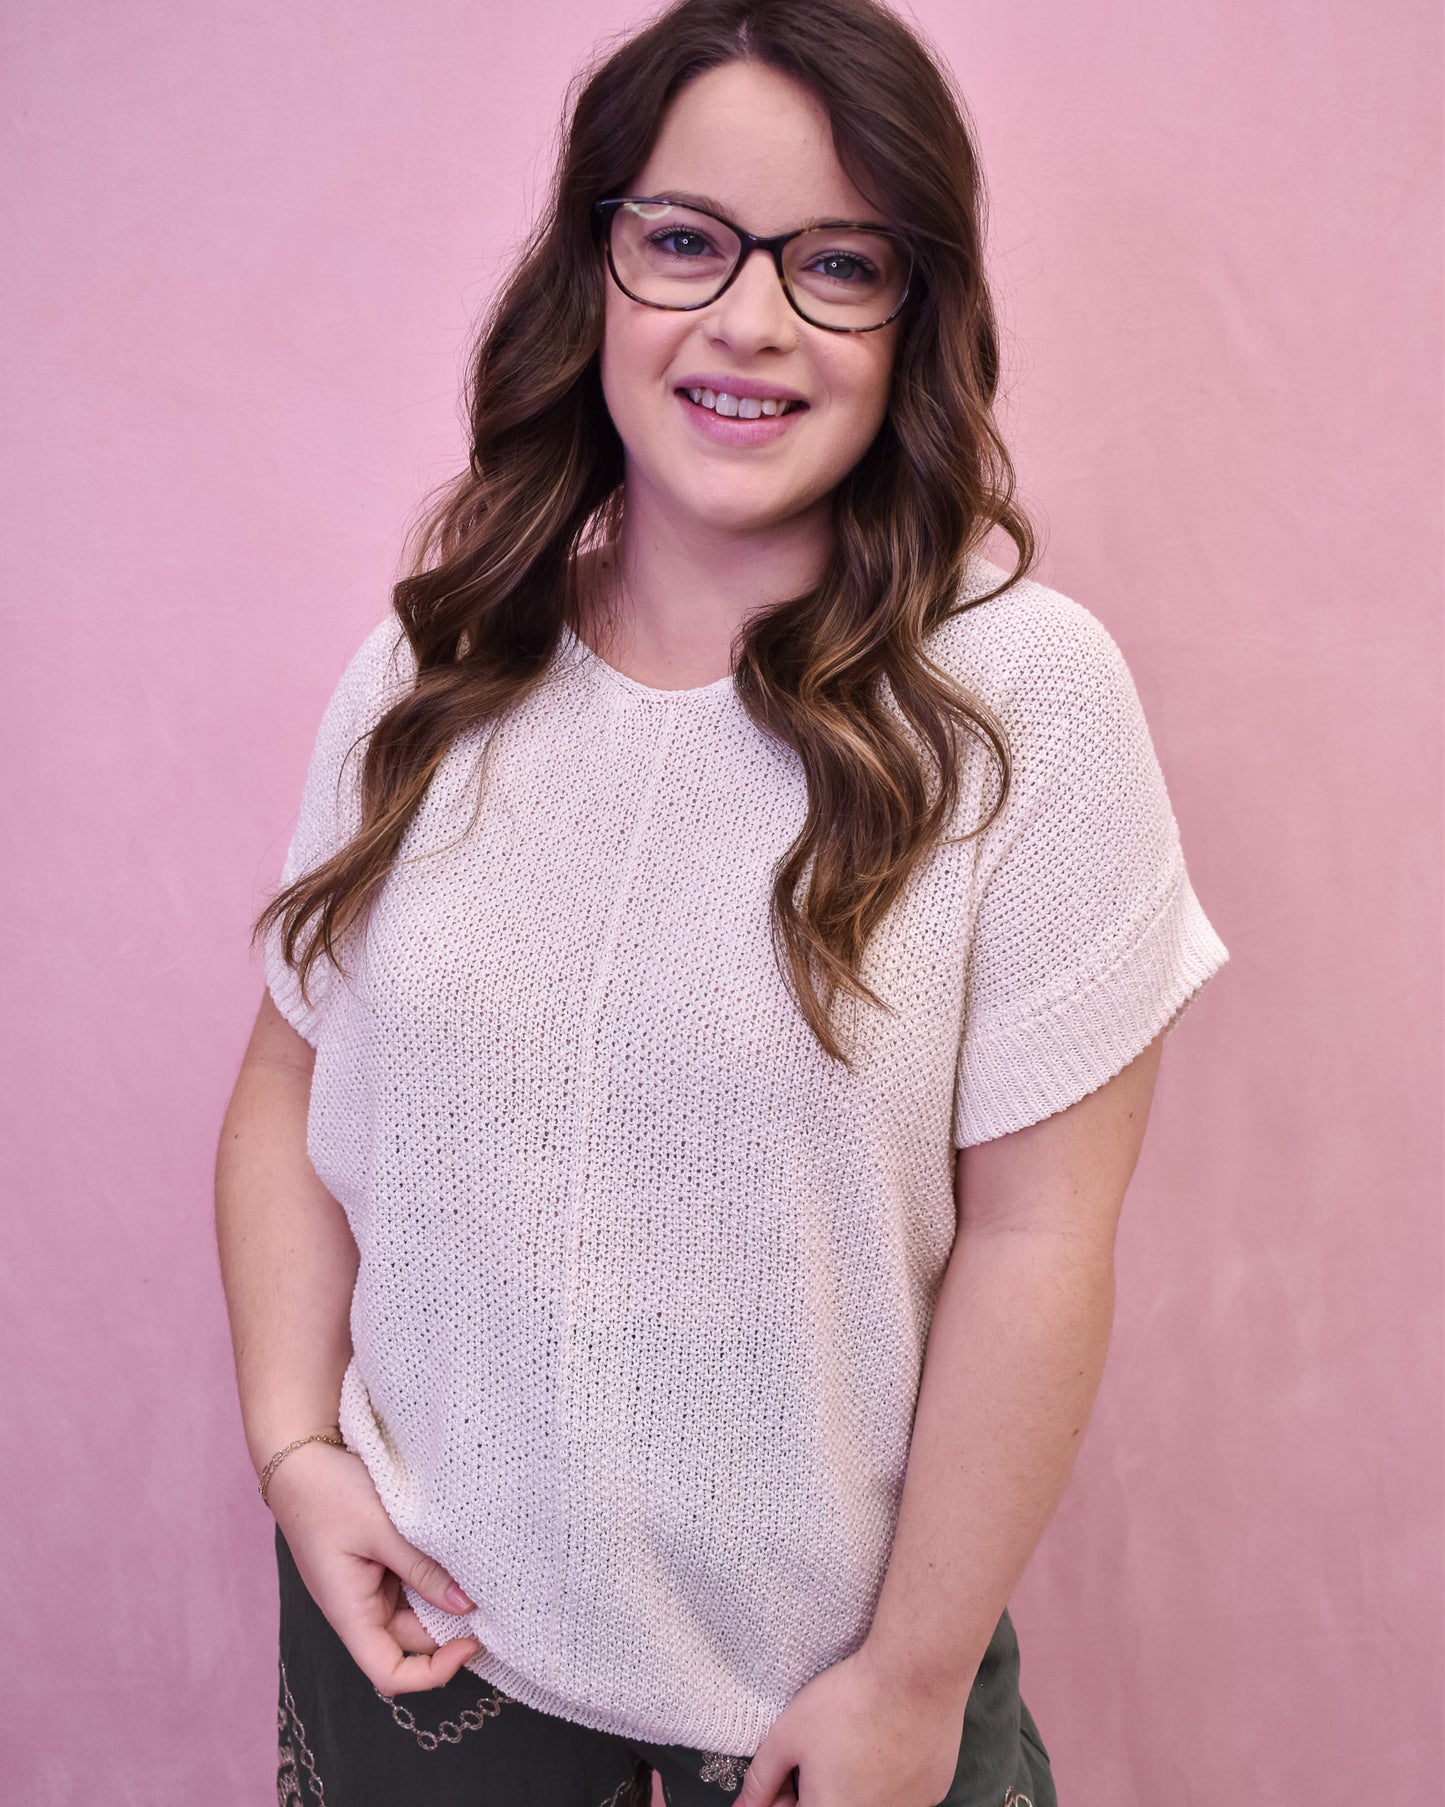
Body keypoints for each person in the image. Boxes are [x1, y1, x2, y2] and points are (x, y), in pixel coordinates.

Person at [215, 1, 1230, 1803]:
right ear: (593, 266)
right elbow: (293, 1077)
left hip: (819, 1720)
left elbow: (1037, 1242)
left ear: (916, 314)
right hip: (425, 1678)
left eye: (836, 263)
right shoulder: (430, 665)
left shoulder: (1020, 702)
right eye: (682, 239)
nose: (745, 320)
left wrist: (913, 1683)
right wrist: (296, 1446)